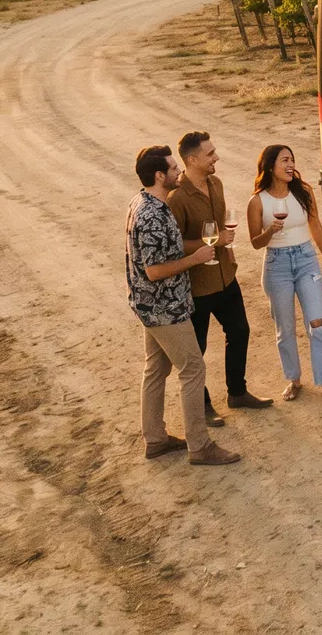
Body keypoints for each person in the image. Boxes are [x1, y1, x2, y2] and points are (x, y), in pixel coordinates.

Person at [125, 145, 239, 466]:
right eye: (173, 169)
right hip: (165, 308)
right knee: (193, 369)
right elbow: (154, 270)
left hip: (151, 306)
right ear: (159, 175)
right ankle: (199, 446)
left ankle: (155, 440)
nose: (178, 172)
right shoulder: (151, 215)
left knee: (156, 369)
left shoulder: (144, 203)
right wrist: (196, 258)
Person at [167, 131, 272, 426]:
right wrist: (209, 242)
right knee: (197, 349)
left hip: (226, 275)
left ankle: (237, 393)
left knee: (239, 332)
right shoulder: (177, 198)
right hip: (197, 286)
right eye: (210, 154)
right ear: (192, 160)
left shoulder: (217, 183)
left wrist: (226, 244)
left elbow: (222, 225)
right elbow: (173, 245)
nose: (216, 157)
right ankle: (201, 406)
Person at [248, 143, 322, 404]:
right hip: (276, 264)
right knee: (285, 328)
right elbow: (255, 242)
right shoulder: (257, 201)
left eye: (292, 159)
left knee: (318, 323)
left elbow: (315, 224)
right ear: (270, 167)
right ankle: (294, 380)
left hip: (306, 260)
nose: (291, 165)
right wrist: (270, 232)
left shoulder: (304, 191)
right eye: (284, 160)